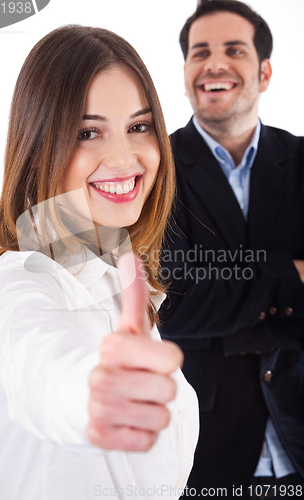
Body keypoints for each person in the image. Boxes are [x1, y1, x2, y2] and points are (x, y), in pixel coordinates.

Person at [0, 25, 199, 500]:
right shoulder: (16, 279)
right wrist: (96, 393)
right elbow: (41, 367)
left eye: (139, 127)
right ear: (36, 151)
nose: (124, 156)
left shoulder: (121, 284)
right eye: (88, 133)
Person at [158, 0, 304, 498]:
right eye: (200, 53)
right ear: (185, 75)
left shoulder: (303, 161)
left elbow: (203, 292)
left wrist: (223, 292)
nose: (214, 64)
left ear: (264, 72)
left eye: (233, 50)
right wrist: (292, 276)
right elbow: (174, 304)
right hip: (208, 448)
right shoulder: (158, 172)